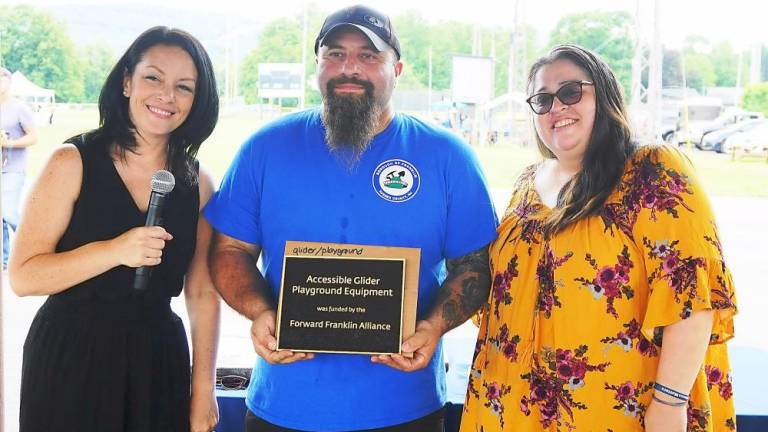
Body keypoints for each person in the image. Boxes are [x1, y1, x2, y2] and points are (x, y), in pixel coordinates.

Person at [203, 5, 499, 431]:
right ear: (318, 65)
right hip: (283, 407)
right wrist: (259, 311)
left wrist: (433, 327)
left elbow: (473, 264)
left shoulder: (447, 157)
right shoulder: (264, 149)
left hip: (405, 409)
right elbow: (230, 250)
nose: (350, 68)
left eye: (368, 56)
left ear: (396, 68)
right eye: (336, 54)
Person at [460, 44, 738, 432]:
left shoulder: (650, 169)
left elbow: (692, 292)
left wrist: (669, 402)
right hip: (515, 404)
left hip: (622, 406)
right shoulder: (527, 183)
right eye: (542, 100)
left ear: (603, 95)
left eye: (571, 92)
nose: (556, 107)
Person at [9, 26, 221, 432]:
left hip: (158, 360)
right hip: (70, 354)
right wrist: (114, 251)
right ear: (127, 82)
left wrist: (203, 389)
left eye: (184, 87)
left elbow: (201, 292)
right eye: (153, 78)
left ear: (198, 101)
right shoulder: (70, 162)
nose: (166, 96)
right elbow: (22, 276)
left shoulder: (199, 184)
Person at [0, 66, 38, 270]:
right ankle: (5, 260)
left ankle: (33, 248)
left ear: (8, 82)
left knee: (9, 212)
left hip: (13, 167)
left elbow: (34, 136)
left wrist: (9, 144)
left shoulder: (18, 108)